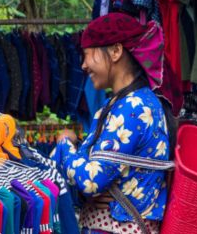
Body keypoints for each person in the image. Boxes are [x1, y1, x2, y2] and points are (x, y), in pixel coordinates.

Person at [55, 13, 177, 234]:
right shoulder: (121, 104)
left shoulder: (133, 109)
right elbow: (89, 169)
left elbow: (90, 181)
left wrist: (64, 142)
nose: (83, 65)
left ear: (115, 51)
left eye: (88, 55)